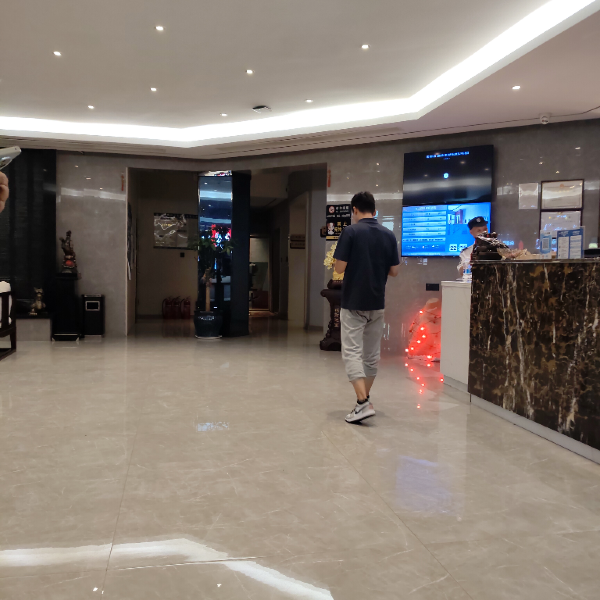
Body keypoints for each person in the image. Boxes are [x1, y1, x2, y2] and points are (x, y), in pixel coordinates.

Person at [333, 191, 400, 423]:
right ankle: (364, 401)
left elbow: (339, 268)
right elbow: (394, 271)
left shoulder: (350, 232)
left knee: (352, 352)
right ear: (374, 210)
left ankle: (362, 403)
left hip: (354, 302)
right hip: (377, 302)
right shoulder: (388, 234)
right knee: (371, 356)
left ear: (354, 210)